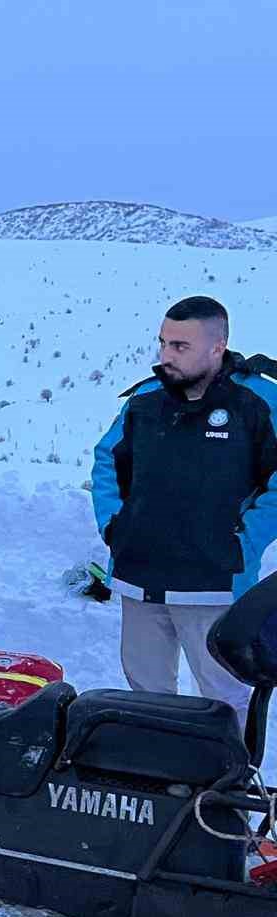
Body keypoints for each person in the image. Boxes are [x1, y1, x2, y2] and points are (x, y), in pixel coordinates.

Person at [92, 295, 277, 730]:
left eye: (180, 346)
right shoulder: (144, 399)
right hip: (140, 576)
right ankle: (162, 783)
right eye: (163, 342)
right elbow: (106, 462)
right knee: (147, 692)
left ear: (217, 346)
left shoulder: (259, 399)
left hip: (213, 581)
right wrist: (115, 526)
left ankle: (227, 788)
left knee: (225, 695)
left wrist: (244, 541)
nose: (165, 356)